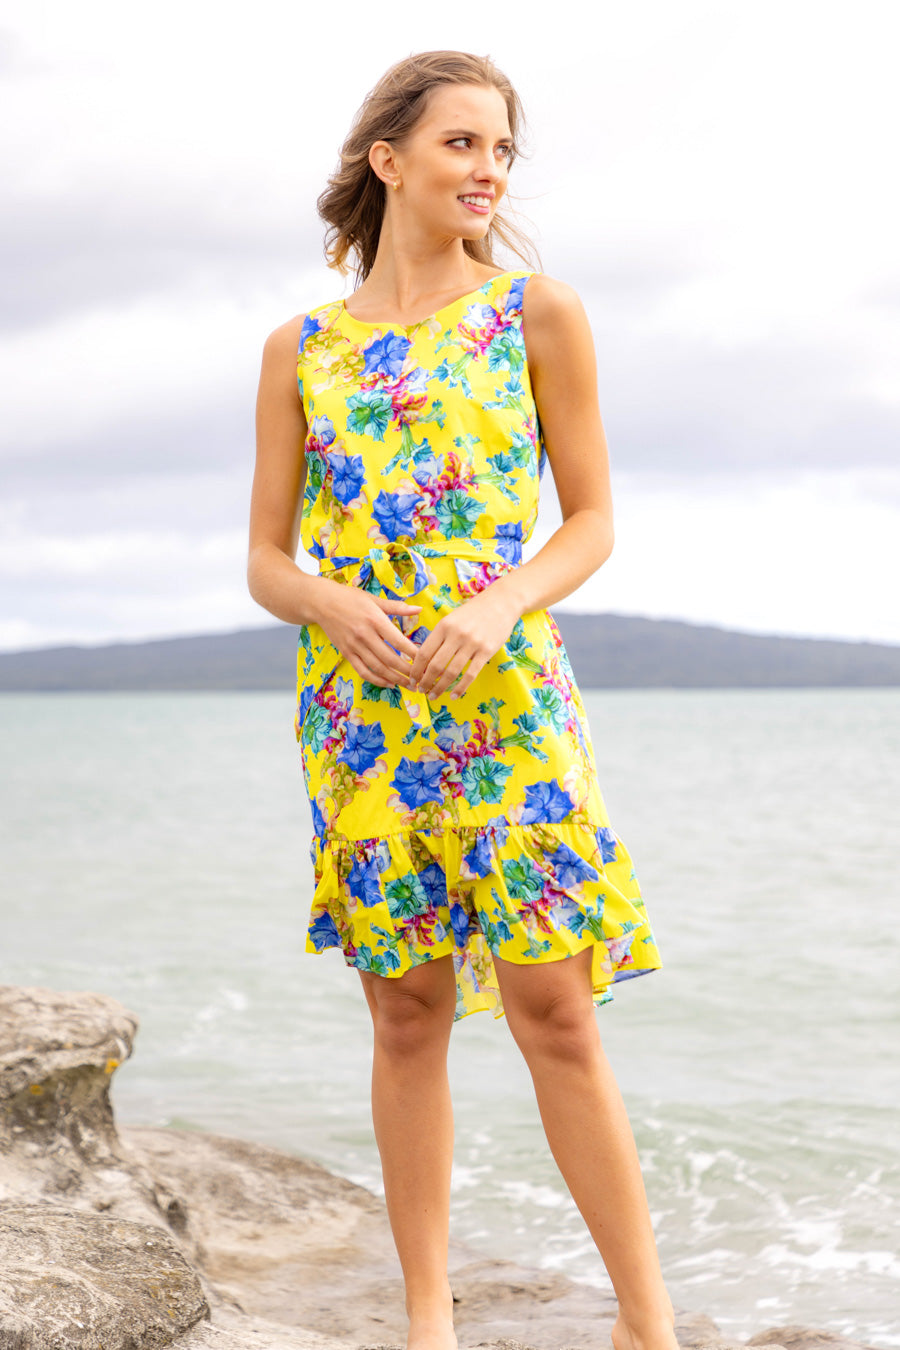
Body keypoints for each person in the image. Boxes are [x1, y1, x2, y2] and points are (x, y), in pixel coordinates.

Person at [248, 49, 677, 1350]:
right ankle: (427, 1321)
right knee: (407, 1010)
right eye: (462, 146)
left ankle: (645, 1322)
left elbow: (593, 518)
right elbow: (266, 558)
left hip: (508, 706)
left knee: (558, 1008)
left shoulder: (534, 314)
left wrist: (501, 603)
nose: (488, 170)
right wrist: (328, 602)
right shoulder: (301, 350)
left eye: (502, 151)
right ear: (388, 159)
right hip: (362, 719)